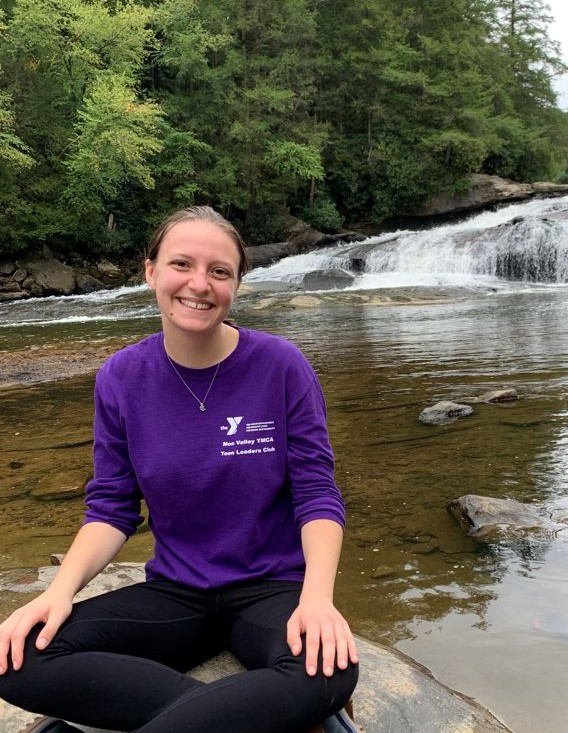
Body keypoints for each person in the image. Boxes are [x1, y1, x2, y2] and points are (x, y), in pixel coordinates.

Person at [0, 206, 359, 733]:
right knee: (18, 656)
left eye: (219, 271)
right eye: (181, 264)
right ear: (150, 271)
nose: (199, 284)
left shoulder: (282, 366)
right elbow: (112, 508)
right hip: (177, 593)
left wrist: (318, 600)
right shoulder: (121, 377)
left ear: (237, 284)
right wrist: (58, 592)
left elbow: (316, 493)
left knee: (329, 671)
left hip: (272, 590)